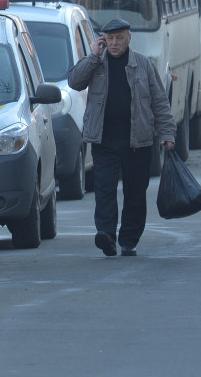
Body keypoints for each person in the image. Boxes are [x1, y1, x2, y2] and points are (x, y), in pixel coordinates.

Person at [67, 18, 175, 258]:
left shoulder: (143, 65)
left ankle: (129, 240)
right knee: (104, 189)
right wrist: (93, 55)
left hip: (138, 142)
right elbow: (74, 82)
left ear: (128, 38)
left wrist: (167, 133)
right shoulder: (96, 63)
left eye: (119, 38)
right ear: (103, 40)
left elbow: (159, 102)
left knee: (135, 193)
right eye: (110, 39)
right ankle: (106, 233)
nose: (114, 44)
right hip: (104, 140)